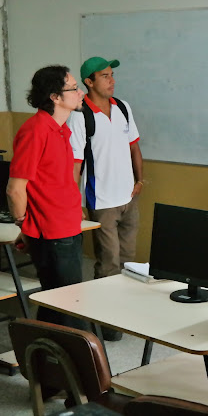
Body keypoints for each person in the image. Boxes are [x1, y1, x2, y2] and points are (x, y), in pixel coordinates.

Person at [6, 65, 87, 329]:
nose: (80, 93)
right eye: (73, 88)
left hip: (68, 226)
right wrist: (24, 225)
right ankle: (53, 350)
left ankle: (44, 349)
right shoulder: (36, 131)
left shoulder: (61, 129)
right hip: (52, 233)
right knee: (66, 305)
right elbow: (15, 189)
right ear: (55, 97)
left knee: (60, 302)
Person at [68, 57, 143, 341]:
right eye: (105, 76)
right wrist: (75, 202)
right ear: (89, 82)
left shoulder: (123, 107)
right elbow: (75, 164)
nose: (112, 80)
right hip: (101, 201)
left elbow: (134, 147)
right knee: (108, 262)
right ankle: (104, 322)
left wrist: (139, 181)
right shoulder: (80, 116)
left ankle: (122, 314)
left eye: (112, 75)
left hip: (129, 198)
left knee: (128, 260)